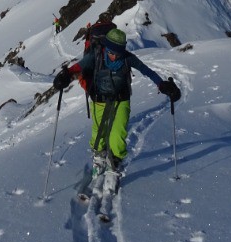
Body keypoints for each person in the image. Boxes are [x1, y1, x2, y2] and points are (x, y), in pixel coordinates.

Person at [53, 26, 181, 189]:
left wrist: (162, 85)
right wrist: (65, 75)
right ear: (105, 47)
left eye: (116, 53)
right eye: (110, 51)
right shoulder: (97, 55)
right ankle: (99, 157)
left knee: (118, 132)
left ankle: (114, 165)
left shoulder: (127, 58)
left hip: (122, 100)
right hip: (99, 99)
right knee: (99, 130)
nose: (113, 56)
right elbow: (79, 67)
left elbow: (147, 70)